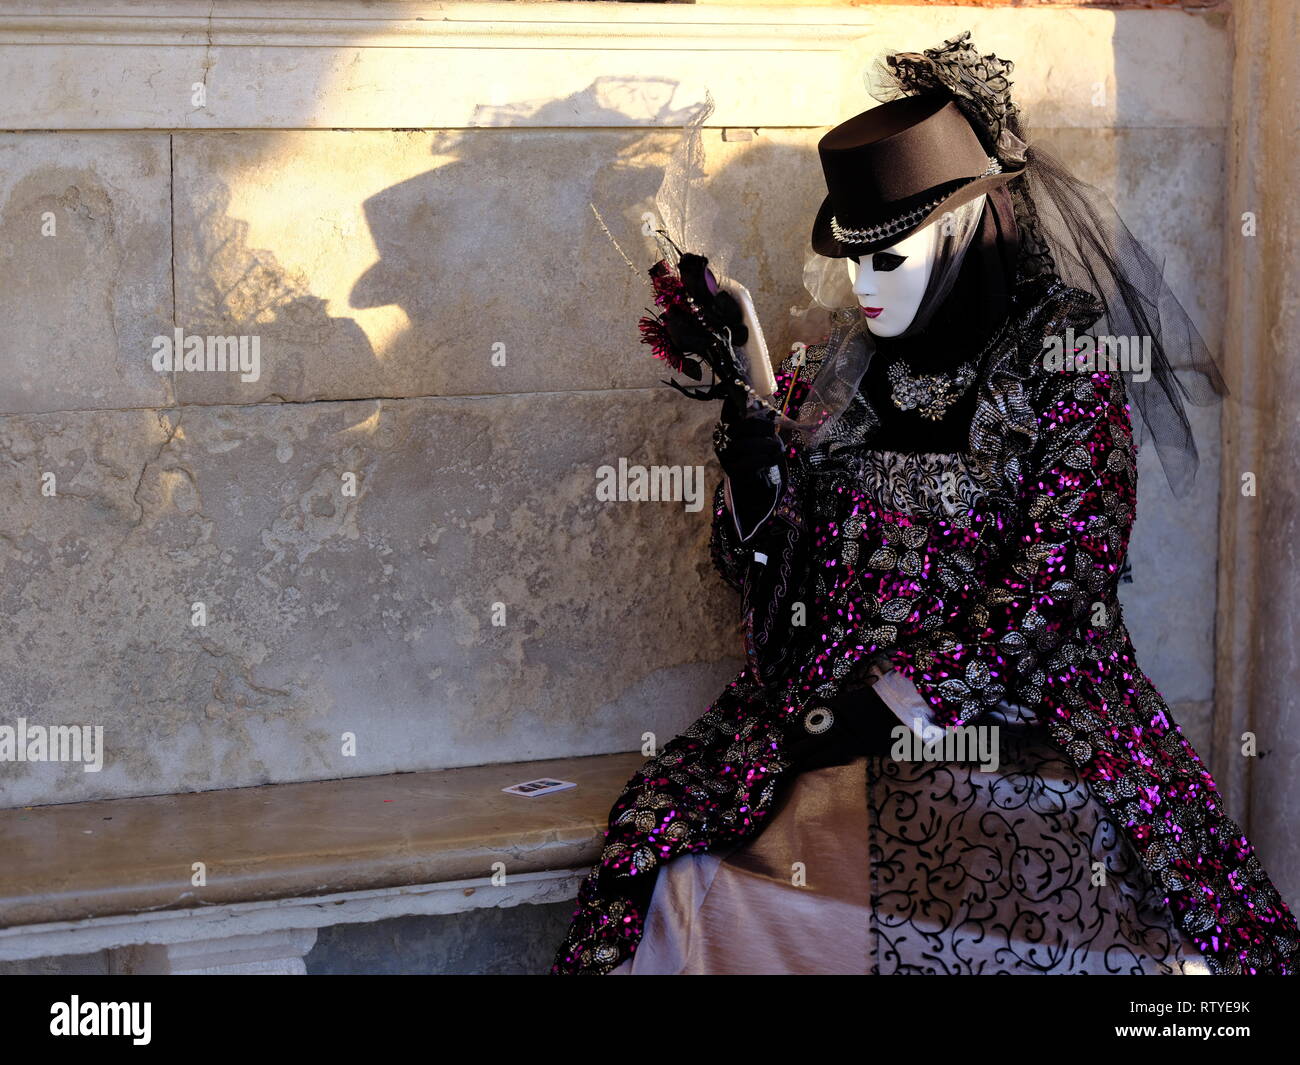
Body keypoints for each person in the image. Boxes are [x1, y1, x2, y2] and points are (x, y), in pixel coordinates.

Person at [551, 33, 1299, 976]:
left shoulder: (1062, 357)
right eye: (851, 262)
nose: (863, 290)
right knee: (680, 867)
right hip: (821, 716)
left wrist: (896, 704)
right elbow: (762, 582)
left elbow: (1059, 584)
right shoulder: (838, 365)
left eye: (888, 261)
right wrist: (751, 439)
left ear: (962, 227)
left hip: (1025, 717)